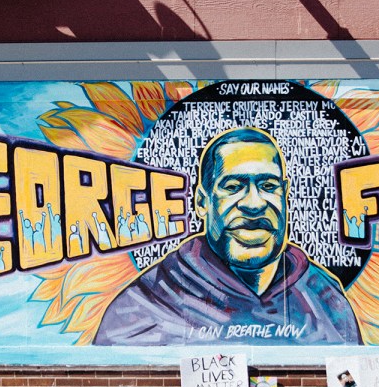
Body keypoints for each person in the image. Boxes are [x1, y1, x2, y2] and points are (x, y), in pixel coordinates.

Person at [93, 128, 360, 346]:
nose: (254, 204)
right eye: (233, 187)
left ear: (285, 194)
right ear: (201, 202)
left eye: (268, 186)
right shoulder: (145, 305)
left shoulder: (324, 298)